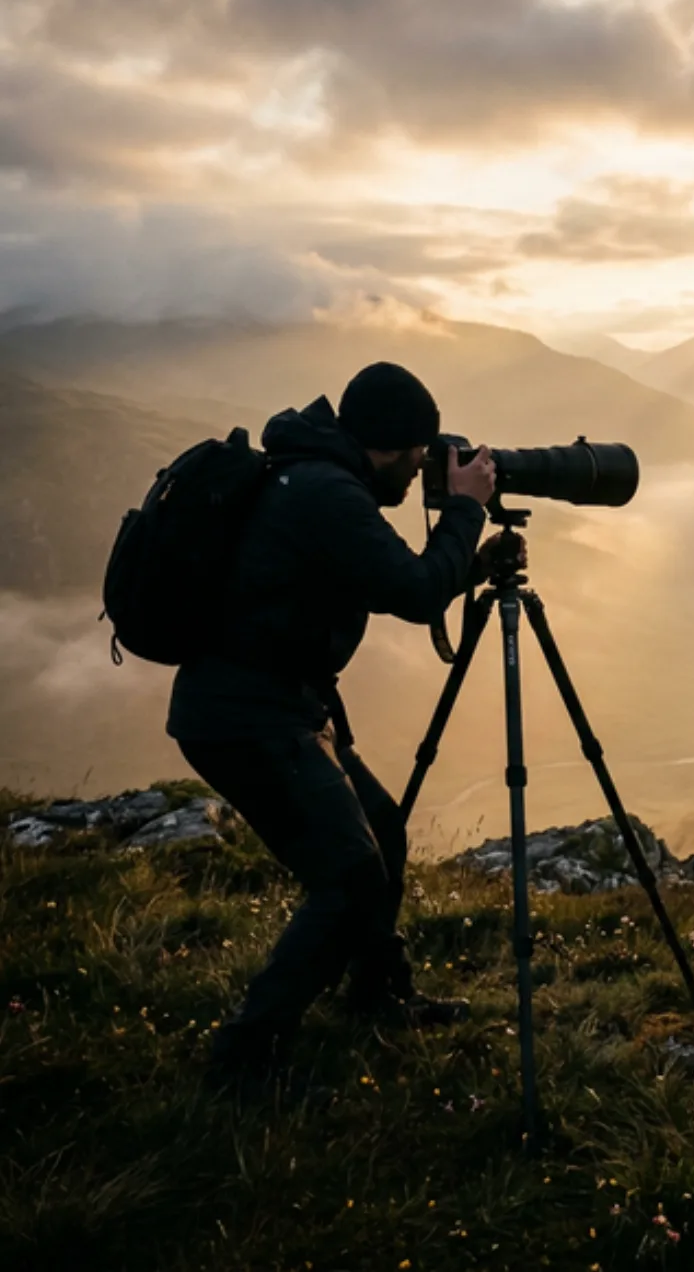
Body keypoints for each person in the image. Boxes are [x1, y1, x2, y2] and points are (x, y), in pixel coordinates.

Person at [167, 360, 497, 1085]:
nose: (418, 475)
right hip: (248, 716)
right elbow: (413, 593)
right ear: (388, 446)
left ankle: (378, 996)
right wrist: (467, 511)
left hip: (272, 705)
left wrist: (471, 567)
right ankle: (245, 1056)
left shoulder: (314, 475)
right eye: (415, 458)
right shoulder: (327, 494)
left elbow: (387, 579)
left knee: (382, 831)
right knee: (347, 879)